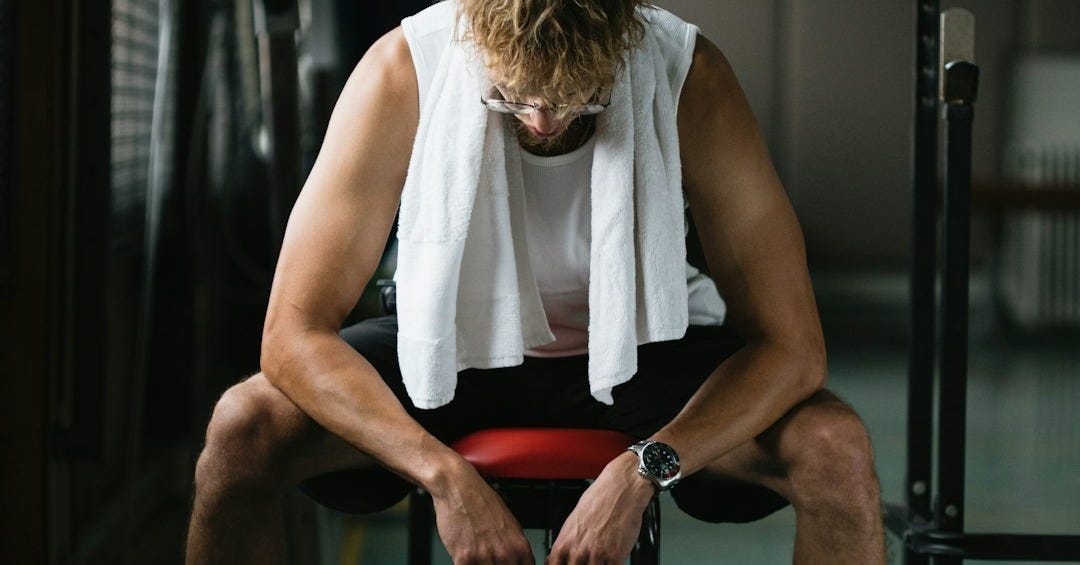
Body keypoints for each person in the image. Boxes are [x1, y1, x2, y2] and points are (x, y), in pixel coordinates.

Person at [186, 1, 886, 563]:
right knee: (243, 429)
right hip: (453, 349)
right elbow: (292, 334)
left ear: (622, 44)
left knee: (836, 450)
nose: (545, 122)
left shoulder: (686, 74)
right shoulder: (405, 70)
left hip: (644, 351)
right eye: (513, 99)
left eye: (578, 99)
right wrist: (442, 475)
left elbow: (794, 348)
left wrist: (646, 468)